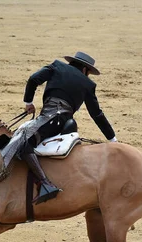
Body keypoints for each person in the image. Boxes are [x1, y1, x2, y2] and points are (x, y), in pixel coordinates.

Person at [20, 51, 117, 204]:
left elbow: (33, 79)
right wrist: (113, 139)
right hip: (62, 120)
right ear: (85, 69)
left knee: (25, 144)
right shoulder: (87, 84)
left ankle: (46, 184)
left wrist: (28, 102)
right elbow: (96, 114)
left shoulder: (56, 66)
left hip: (51, 118)